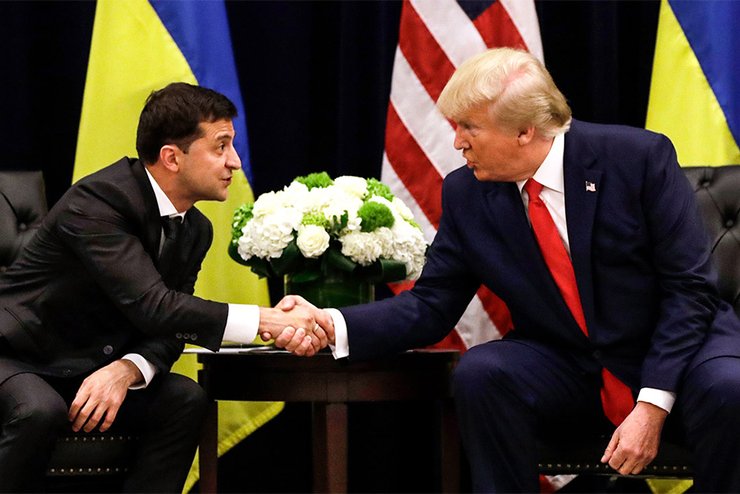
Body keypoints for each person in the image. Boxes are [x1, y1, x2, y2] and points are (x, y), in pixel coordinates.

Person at [277, 48, 740, 492]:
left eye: (469, 127)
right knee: (483, 372)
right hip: (570, 362)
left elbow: (690, 290)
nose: (457, 141)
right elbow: (431, 305)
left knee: (729, 387)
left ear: (524, 131)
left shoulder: (636, 159)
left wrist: (653, 403)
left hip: (677, 352)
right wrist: (329, 321)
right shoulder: (467, 192)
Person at [0, 82, 326, 492]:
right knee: (38, 410)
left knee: (185, 400)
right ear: (172, 157)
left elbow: (172, 327)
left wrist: (128, 369)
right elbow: (155, 305)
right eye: (221, 147)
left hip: (90, 366)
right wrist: (267, 320)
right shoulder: (98, 201)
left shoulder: (196, 229)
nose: (235, 162)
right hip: (18, 355)